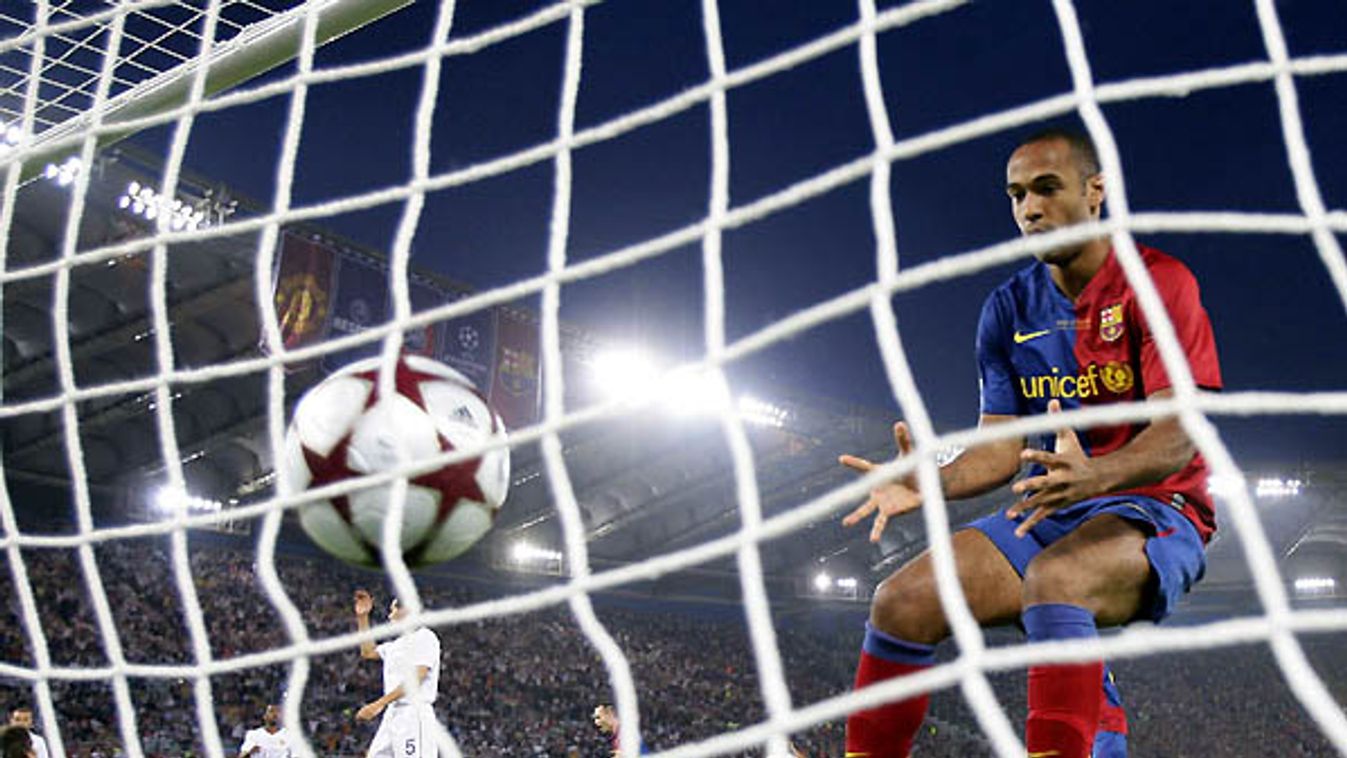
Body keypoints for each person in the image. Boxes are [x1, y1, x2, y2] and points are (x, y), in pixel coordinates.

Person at [839, 126, 1221, 758]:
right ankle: (1097, 716)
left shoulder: (1158, 283)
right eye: (1016, 196)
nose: (1030, 209)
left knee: (1057, 579)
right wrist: (928, 479)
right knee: (900, 600)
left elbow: (1181, 434)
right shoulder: (1008, 308)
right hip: (1056, 505)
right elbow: (1000, 447)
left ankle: (1089, 718)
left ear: (1095, 191)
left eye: (1047, 189)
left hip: (1158, 510)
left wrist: (1095, 478)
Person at [354, 589, 441, 758]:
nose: (390, 616)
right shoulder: (396, 645)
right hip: (393, 712)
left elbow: (418, 677)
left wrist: (379, 704)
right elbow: (367, 652)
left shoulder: (425, 637)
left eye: (393, 610)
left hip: (413, 714)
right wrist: (362, 618)